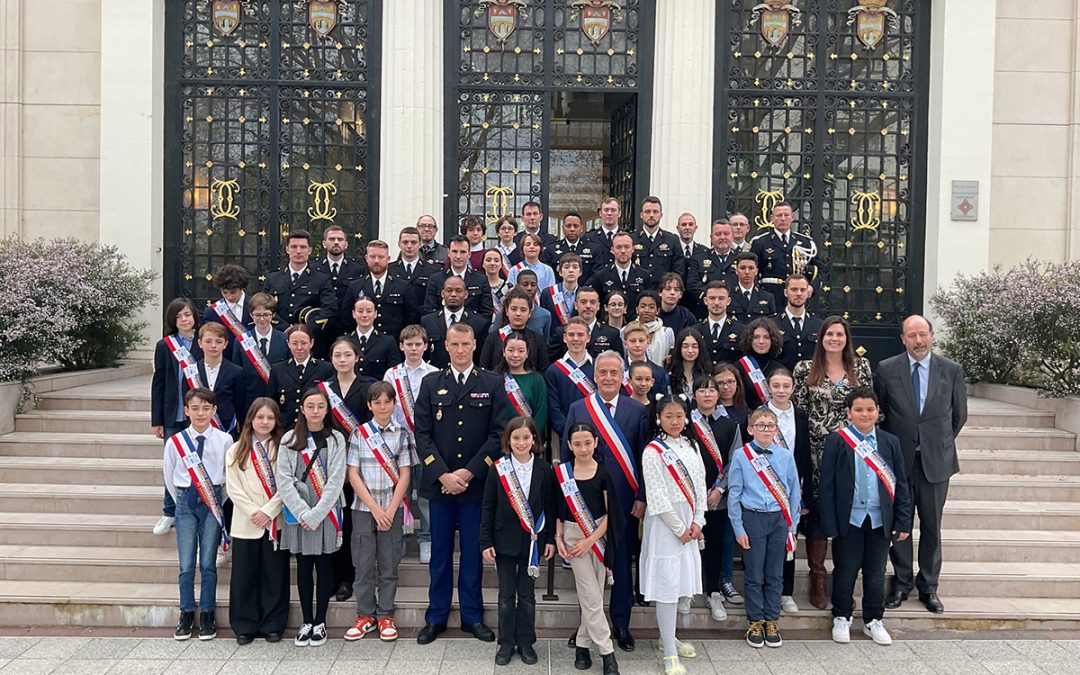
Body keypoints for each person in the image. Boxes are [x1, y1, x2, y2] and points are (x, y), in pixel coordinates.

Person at [415, 323, 509, 645]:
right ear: (445, 346)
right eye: (454, 344)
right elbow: (422, 436)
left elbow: (499, 435)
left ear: (474, 344)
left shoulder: (492, 383)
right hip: (439, 487)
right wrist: (443, 474)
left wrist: (467, 474)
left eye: (465, 344)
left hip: (476, 486)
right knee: (439, 554)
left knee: (472, 553)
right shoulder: (430, 384)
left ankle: (472, 616)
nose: (459, 349)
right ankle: (436, 616)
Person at [875, 315, 967, 615]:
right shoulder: (887, 369)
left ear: (931, 335)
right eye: (912, 335)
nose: (918, 341)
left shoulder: (951, 370)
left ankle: (929, 586)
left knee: (931, 526)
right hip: (899, 462)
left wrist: (934, 442)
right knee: (900, 525)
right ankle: (901, 583)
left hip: (935, 462)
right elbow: (883, 413)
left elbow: (959, 416)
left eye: (923, 334)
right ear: (903, 338)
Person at [561, 351, 649, 652]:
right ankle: (588, 626)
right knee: (588, 572)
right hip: (587, 507)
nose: (608, 378)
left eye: (614, 372)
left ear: (623, 376)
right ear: (594, 376)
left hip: (624, 503)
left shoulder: (636, 411)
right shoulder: (578, 408)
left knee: (622, 564)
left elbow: (643, 458)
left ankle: (621, 624)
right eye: (603, 373)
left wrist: (641, 497)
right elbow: (564, 457)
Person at [820, 386, 912, 646]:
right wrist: (829, 522)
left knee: (875, 572)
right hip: (849, 519)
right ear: (849, 412)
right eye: (858, 410)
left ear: (878, 412)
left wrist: (903, 519)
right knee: (845, 570)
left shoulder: (890, 442)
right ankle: (841, 615)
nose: (864, 414)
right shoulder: (838, 440)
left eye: (870, 409)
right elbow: (826, 485)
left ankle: (873, 619)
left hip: (881, 520)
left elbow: (901, 483)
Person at [793, 315, 873, 609]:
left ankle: (844, 582)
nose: (835, 339)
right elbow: (799, 411)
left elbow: (869, 407)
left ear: (846, 338)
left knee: (846, 516)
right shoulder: (805, 369)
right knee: (817, 515)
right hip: (816, 453)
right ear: (821, 338)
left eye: (839, 334)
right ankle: (817, 578)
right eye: (829, 334)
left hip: (852, 455)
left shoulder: (861, 367)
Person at [343, 382, 418, 643]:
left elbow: (406, 473)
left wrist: (390, 508)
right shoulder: (359, 433)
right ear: (369, 405)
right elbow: (352, 473)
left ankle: (386, 614)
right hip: (364, 509)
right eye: (377, 402)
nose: (382, 406)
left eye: (387, 402)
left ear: (394, 404)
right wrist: (375, 508)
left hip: (392, 508)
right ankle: (365, 615)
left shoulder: (403, 434)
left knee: (389, 564)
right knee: (363, 565)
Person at [480, 417, 556, 666]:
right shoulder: (498, 468)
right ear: (508, 441)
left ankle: (525, 642)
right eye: (516, 438)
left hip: (532, 543)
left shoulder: (545, 470)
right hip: (503, 541)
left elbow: (549, 507)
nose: (521, 443)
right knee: (505, 596)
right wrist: (485, 541)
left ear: (534, 439)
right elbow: (488, 507)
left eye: (526, 437)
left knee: (527, 596)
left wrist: (548, 540)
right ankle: (505, 643)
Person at [276, 387, 347, 647]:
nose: (315, 411)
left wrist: (317, 514)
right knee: (304, 567)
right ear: (302, 409)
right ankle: (306, 621)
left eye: (320, 406)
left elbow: (337, 479)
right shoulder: (288, 440)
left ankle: (320, 622)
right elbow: (283, 481)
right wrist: (303, 512)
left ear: (326, 409)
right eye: (310, 406)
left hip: (326, 512)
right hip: (299, 513)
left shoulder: (337, 439)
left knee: (325, 566)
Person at [640, 396, 706, 675]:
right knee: (667, 586)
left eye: (679, 415)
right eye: (668, 416)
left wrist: (699, 520)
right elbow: (656, 496)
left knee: (681, 584)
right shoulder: (653, 451)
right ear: (659, 418)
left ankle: (670, 637)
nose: (675, 421)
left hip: (691, 522)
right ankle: (668, 651)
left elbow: (701, 484)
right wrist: (680, 529)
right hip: (667, 527)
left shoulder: (692, 445)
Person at [727, 407, 800, 649]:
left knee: (775, 573)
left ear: (776, 429)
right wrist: (738, 527)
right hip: (753, 518)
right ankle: (755, 620)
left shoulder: (785, 456)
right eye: (761, 425)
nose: (766, 429)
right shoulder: (741, 455)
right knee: (755, 573)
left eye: (770, 425)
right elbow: (734, 493)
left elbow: (793, 493)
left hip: (779, 519)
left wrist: (792, 527)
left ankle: (772, 619)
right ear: (750, 429)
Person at [163, 388, 232, 641]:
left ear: (214, 410)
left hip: (213, 500)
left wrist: (215, 500)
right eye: (195, 408)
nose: (200, 413)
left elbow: (227, 477)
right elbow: (169, 477)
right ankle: (186, 613)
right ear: (186, 410)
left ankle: (207, 613)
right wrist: (182, 498)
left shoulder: (224, 440)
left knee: (208, 563)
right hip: (184, 501)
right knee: (187, 563)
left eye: (206, 408)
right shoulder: (176, 441)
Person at [556, 422, 622, 675]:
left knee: (594, 595)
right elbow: (558, 510)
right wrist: (560, 537)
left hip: (598, 536)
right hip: (573, 537)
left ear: (595, 443)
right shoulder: (563, 473)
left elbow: (610, 514)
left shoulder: (604, 473)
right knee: (591, 595)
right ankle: (607, 652)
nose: (583, 448)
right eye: (577, 444)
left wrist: (591, 540)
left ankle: (583, 645)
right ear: (570, 446)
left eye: (587, 443)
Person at [226, 397, 289, 644]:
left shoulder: (283, 447)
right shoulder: (236, 449)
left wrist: (269, 511)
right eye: (260, 417)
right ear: (250, 419)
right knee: (244, 576)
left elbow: (287, 485)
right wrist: (255, 511)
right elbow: (233, 488)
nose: (265, 422)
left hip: (274, 521)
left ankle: (273, 624)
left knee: (275, 575)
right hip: (246, 521)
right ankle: (245, 625)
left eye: (270, 418)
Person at [322, 336, 377, 602]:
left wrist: (353, 465)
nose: (342, 360)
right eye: (337, 355)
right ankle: (334, 577)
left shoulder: (369, 386)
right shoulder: (323, 389)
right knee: (335, 522)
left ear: (357, 357)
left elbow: (371, 427)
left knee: (356, 525)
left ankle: (351, 577)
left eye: (347, 355)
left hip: (361, 466)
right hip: (330, 466)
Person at [383, 325, 439, 563]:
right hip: (399, 442)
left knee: (425, 493)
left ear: (425, 346)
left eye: (418, 344)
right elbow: (387, 409)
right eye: (409, 344)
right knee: (401, 492)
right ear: (401, 346)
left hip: (426, 442)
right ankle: (402, 537)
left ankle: (426, 538)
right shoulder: (391, 374)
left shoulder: (435, 373)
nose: (414, 349)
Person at [689, 375, 743, 619]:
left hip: (717, 498)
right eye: (702, 390)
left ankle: (713, 593)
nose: (708, 394)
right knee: (689, 545)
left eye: (712, 390)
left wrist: (720, 489)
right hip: (690, 497)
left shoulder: (730, 425)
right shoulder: (686, 423)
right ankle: (687, 592)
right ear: (694, 395)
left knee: (715, 546)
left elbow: (735, 460)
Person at [151, 298, 202, 535]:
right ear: (172, 320)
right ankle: (168, 512)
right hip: (173, 414)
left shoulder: (203, 342)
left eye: (188, 315)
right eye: (179, 316)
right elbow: (159, 382)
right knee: (172, 465)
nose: (184, 320)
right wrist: (157, 419)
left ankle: (199, 508)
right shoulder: (165, 345)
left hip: (198, 415)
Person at [765, 367, 812, 614]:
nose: (781, 391)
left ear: (793, 388)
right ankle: (765, 589)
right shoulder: (760, 416)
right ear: (768, 387)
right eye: (776, 386)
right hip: (764, 486)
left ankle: (786, 592)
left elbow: (804, 453)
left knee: (788, 539)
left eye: (786, 386)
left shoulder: (801, 416)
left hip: (791, 487)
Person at [262, 229, 337, 341]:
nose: (298, 251)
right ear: (287, 249)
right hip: (279, 337)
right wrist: (285, 328)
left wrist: (305, 330)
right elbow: (264, 307)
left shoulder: (321, 279)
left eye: (303, 247)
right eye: (294, 247)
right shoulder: (273, 279)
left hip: (310, 339)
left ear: (309, 250)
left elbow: (329, 309)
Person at [749, 201, 826, 308]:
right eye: (779, 215)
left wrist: (812, 287)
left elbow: (821, 270)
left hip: (798, 298)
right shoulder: (761, 242)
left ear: (792, 217)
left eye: (786, 215)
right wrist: (759, 295)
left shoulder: (805, 242)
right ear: (772, 218)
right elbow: (752, 271)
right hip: (771, 297)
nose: (783, 218)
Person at [339, 240, 412, 341]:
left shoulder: (403, 286)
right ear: (366, 258)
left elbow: (411, 319)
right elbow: (346, 319)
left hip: (394, 343)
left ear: (388, 259)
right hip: (362, 344)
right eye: (372, 257)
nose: (376, 260)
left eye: (381, 257)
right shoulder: (355, 286)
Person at [265, 324, 334, 428]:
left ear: (311, 343)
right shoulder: (277, 370)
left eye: (304, 343)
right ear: (288, 344)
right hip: (286, 429)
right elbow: (271, 403)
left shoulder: (325, 369)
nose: (299, 348)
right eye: (294, 343)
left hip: (314, 429)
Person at [184, 323, 246, 436]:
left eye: (218, 342)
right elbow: (186, 399)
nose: (213, 345)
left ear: (225, 344)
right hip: (198, 427)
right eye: (208, 341)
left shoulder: (236, 372)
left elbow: (239, 403)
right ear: (200, 343)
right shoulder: (191, 371)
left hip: (226, 428)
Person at [419, 275, 490, 368]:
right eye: (449, 290)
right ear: (442, 293)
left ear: (466, 294)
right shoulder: (427, 321)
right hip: (436, 377)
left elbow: (481, 358)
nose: (453, 294)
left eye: (458, 291)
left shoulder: (479, 323)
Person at [545, 317, 596, 442]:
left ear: (588, 338)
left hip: (596, 432)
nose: (576, 339)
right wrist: (568, 432)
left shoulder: (598, 367)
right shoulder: (554, 370)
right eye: (571, 334)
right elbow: (554, 408)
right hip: (566, 435)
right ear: (564, 337)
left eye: (580, 334)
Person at [232, 293, 288, 406]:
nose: (262, 319)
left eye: (266, 314)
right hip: (250, 401)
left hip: (277, 401)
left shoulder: (284, 339)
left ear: (273, 314)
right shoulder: (242, 341)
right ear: (251, 315)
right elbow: (237, 374)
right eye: (257, 315)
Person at [313, 225, 367, 339]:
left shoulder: (357, 269)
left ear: (346, 244)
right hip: (321, 327)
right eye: (332, 239)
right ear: (324, 243)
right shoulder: (314, 269)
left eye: (340, 239)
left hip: (347, 327)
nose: (336, 242)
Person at [422, 235, 495, 319]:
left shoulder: (481, 280)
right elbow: (429, 310)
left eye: (463, 252)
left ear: (469, 254)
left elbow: (487, 313)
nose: (458, 256)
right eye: (454, 251)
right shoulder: (436, 279)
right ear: (448, 253)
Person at [480, 289, 550, 372]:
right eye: (514, 309)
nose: (518, 313)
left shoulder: (538, 339)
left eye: (523, 310)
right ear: (506, 311)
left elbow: (543, 370)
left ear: (530, 313)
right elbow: (484, 368)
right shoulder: (494, 337)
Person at [495, 331, 549, 434]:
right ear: (503, 351)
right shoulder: (495, 379)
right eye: (511, 350)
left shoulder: (537, 380)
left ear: (527, 353)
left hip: (529, 440)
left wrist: (530, 435)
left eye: (521, 351)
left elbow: (541, 412)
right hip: (502, 438)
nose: (515, 355)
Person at [550, 287, 623, 361]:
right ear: (576, 305)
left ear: (598, 306)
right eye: (583, 302)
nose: (588, 306)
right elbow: (553, 363)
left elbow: (619, 364)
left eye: (592, 302)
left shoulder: (612, 334)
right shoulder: (561, 332)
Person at [588, 231, 650, 317]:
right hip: (609, 325)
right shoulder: (601, 275)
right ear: (612, 250)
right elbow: (597, 305)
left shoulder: (644, 275)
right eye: (618, 247)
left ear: (633, 249)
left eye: (626, 247)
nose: (623, 251)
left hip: (635, 326)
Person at [687, 219, 739, 316]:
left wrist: (727, 300)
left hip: (735, 310)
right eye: (718, 234)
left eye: (726, 234)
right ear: (711, 238)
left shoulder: (740, 258)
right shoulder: (699, 258)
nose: (722, 237)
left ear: (732, 236)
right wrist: (711, 299)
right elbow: (692, 284)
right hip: (705, 311)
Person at [771, 274, 822, 371]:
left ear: (808, 293)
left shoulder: (819, 325)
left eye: (802, 290)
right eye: (794, 290)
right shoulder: (772, 324)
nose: (799, 293)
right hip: (782, 381)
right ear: (786, 292)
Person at [632, 196, 685, 288]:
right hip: (638, 292)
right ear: (641, 215)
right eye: (647, 212)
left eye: (655, 212)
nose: (651, 215)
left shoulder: (672, 240)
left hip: (662, 294)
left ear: (661, 215)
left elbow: (678, 271)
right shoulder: (631, 239)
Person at [346, 296, 403, 379]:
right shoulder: (345, 341)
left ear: (375, 314)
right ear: (354, 314)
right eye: (360, 311)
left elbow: (394, 373)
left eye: (369, 311)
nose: (364, 315)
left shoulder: (387, 341)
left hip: (377, 390)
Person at [391, 226, 440, 317]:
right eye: (405, 242)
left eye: (413, 242)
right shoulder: (389, 270)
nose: (409, 246)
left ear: (420, 244)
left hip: (423, 322)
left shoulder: (432, 271)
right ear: (399, 244)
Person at [202, 264, 253, 351]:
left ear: (242, 288)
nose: (229, 297)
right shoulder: (212, 312)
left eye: (233, 292)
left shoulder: (255, 306)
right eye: (225, 292)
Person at [737, 318, 783, 411]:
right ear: (749, 339)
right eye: (756, 337)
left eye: (766, 337)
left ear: (773, 340)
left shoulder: (780, 369)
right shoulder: (738, 368)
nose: (761, 341)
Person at [544, 211, 604, 282]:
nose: (572, 229)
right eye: (568, 226)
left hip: (586, 291)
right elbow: (549, 273)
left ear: (581, 228)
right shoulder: (551, 250)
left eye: (576, 226)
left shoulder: (594, 249)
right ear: (563, 228)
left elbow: (596, 274)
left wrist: (583, 290)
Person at [695, 282, 745, 365]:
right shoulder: (695, 330)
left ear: (728, 301)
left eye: (721, 298)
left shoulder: (741, 331)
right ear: (705, 301)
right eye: (712, 298)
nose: (716, 303)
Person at [622, 321, 670, 398]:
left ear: (648, 342)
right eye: (632, 341)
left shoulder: (659, 372)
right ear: (625, 344)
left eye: (641, 341)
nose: (637, 345)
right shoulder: (619, 371)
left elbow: (662, 402)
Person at [727, 252, 776, 324]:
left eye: (751, 268)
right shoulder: (728, 296)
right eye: (742, 268)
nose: (747, 272)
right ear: (736, 271)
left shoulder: (768, 297)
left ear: (756, 271)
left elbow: (771, 325)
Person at [509, 269, 553, 342]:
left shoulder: (545, 315)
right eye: (525, 284)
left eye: (533, 285)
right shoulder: (504, 313)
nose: (529, 288)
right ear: (517, 286)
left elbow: (545, 344)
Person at [539, 252, 581, 329]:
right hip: (553, 339)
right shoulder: (548, 293)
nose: (571, 270)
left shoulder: (584, 294)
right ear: (560, 272)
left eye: (575, 267)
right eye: (566, 267)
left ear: (580, 272)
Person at [667, 328, 712, 399]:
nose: (690, 351)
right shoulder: (669, 375)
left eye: (694, 346)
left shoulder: (708, 374)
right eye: (685, 346)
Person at [635, 290, 674, 367]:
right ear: (637, 309)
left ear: (658, 310)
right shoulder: (626, 331)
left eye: (651, 307)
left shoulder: (667, 332)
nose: (646, 310)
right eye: (643, 306)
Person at [713, 362, 750, 430]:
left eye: (730, 382)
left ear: (737, 384)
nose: (726, 387)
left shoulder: (746, 412)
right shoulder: (709, 410)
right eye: (720, 383)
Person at [483, 248, 513, 325]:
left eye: (496, 260)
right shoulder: (478, 286)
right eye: (488, 260)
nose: (492, 263)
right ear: (483, 264)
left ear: (501, 264)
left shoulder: (509, 287)